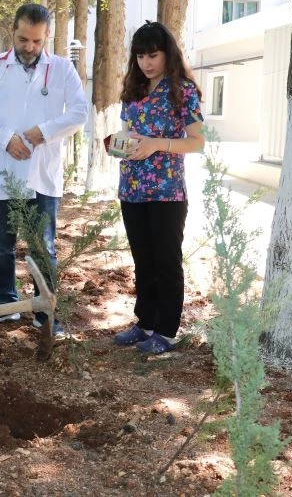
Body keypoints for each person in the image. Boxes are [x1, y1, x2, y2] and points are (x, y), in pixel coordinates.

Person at [0, 3, 88, 336]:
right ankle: (6, 305)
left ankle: (45, 312)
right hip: (0, 169)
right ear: (13, 32)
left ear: (47, 36)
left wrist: (41, 132)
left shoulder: (62, 69)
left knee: (42, 247)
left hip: (41, 174)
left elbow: (79, 113)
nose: (29, 47)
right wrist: (6, 139)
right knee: (0, 246)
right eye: (23, 39)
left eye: (36, 41)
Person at [112, 21, 205, 355]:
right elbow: (131, 134)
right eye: (140, 56)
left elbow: (197, 142)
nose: (146, 63)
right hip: (132, 189)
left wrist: (156, 144)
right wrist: (119, 144)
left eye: (152, 55)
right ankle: (145, 323)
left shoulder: (182, 90)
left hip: (167, 192)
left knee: (166, 262)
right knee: (143, 261)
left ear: (168, 54)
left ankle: (166, 330)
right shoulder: (134, 90)